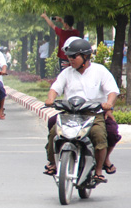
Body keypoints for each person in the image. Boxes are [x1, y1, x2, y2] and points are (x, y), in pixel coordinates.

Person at [43, 38, 118, 183]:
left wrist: (109, 104)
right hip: (70, 113)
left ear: (85, 56)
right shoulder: (67, 73)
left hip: (93, 114)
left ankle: (98, 171)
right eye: (69, 56)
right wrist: (50, 99)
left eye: (74, 56)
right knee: (54, 132)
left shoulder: (100, 71)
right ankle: (53, 162)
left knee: (99, 136)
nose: (70, 59)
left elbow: (112, 90)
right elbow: (55, 88)